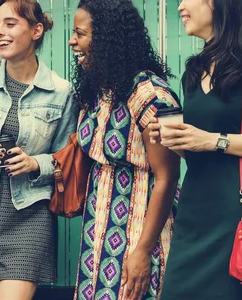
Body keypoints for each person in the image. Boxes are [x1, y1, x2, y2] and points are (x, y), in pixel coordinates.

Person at [148, 0, 242, 299]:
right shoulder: (195, 68)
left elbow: (212, 141)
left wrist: (212, 140)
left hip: (240, 214)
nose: (179, 7)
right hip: (194, 213)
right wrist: (175, 140)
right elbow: (200, 148)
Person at [0, 1, 75, 299]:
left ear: (36, 30)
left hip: (30, 214)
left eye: (10, 24)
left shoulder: (61, 92)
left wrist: (35, 163)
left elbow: (67, 158)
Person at [67, 0, 181, 299]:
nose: (72, 41)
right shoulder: (99, 90)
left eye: (80, 33)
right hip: (97, 235)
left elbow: (167, 177)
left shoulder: (149, 94)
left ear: (105, 39)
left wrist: (143, 251)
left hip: (138, 234)